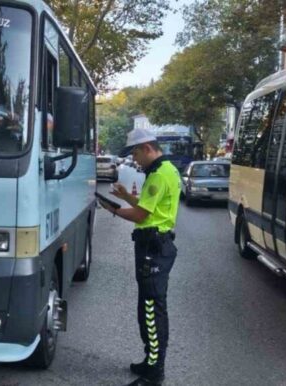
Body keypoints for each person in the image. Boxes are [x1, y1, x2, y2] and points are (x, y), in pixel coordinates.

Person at [99, 127, 181, 386]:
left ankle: (154, 372)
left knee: (151, 311)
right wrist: (126, 196)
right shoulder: (165, 170)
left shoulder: (158, 175)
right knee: (149, 308)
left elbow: (140, 215)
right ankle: (150, 361)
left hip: (153, 249)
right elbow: (148, 207)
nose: (134, 159)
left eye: (135, 153)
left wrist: (111, 208)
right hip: (156, 246)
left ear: (147, 148)